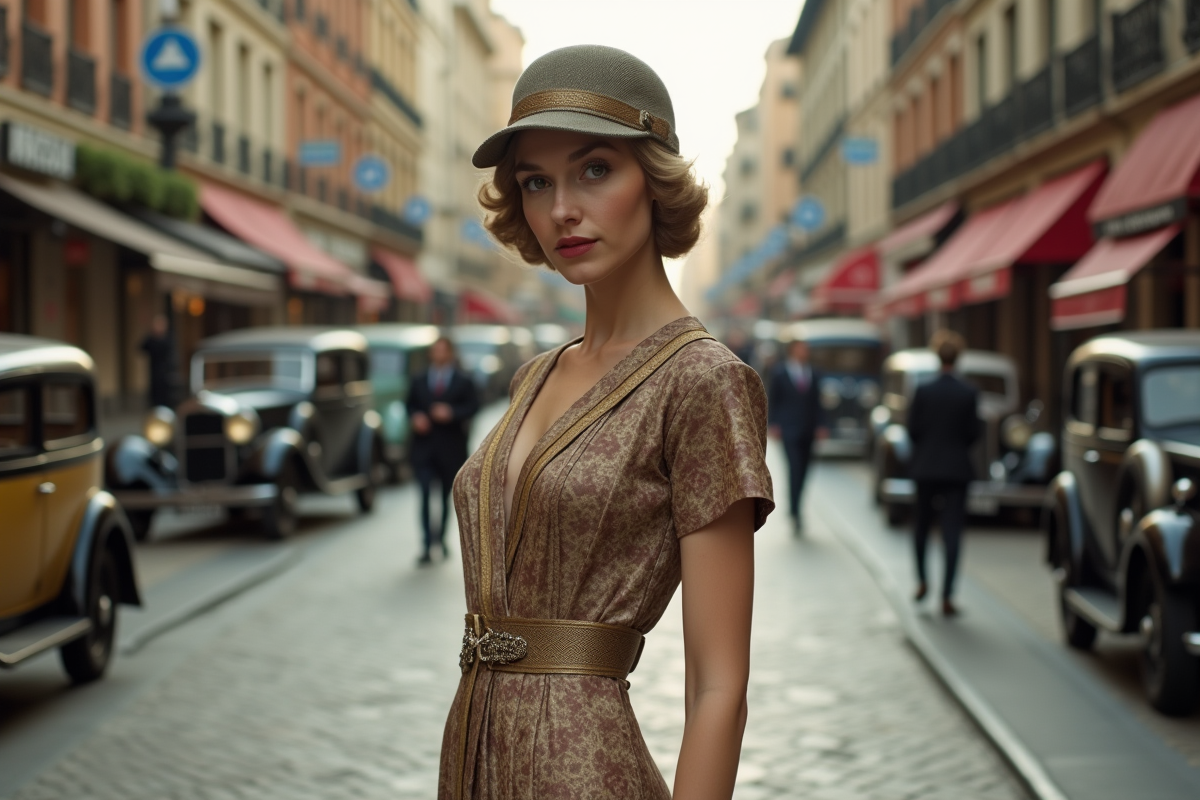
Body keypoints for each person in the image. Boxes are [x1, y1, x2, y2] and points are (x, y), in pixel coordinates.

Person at [438, 45, 774, 800]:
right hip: (470, 760)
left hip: (586, 772)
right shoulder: (534, 377)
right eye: (536, 181)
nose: (562, 208)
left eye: (594, 169)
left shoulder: (702, 381)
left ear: (653, 180)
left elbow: (718, 686)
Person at [907, 330, 980, 617]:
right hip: (956, 470)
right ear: (958, 357)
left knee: (922, 527)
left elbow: (913, 430)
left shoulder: (923, 390)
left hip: (926, 468)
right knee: (952, 532)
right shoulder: (968, 392)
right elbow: (973, 433)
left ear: (937, 357)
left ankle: (922, 581)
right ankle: (947, 595)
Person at [407, 336, 479, 565]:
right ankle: (427, 544)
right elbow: (409, 404)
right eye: (435, 350)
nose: (438, 354)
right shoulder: (418, 379)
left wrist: (452, 413)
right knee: (425, 495)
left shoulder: (463, 380)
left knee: (447, 498)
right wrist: (416, 417)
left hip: (451, 449)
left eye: (442, 350)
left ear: (450, 353)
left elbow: (473, 406)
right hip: (424, 449)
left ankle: (442, 539)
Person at [767, 339, 827, 535]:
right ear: (793, 351)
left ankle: (798, 503)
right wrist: (773, 424)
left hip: (809, 429)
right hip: (789, 429)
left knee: (805, 470)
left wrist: (821, 425)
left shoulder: (814, 373)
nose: (804, 352)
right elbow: (773, 399)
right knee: (795, 468)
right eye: (801, 349)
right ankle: (794, 511)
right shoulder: (780, 373)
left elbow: (818, 402)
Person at [140, 314, 179, 409]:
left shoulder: (168, 339)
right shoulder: (151, 339)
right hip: (155, 372)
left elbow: (171, 355)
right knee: (155, 396)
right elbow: (142, 347)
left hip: (166, 373)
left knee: (166, 397)